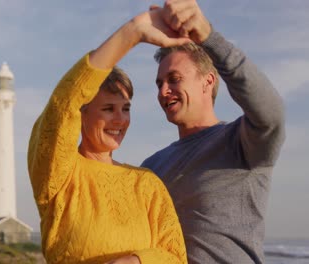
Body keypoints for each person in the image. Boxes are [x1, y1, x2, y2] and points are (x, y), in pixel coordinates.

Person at [27, 6, 190, 264]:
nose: (120, 119)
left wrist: (135, 261)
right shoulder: (60, 173)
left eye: (125, 109)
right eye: (108, 109)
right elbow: (63, 104)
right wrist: (132, 33)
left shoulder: (146, 184)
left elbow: (175, 257)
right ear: (82, 114)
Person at [141, 1, 286, 263]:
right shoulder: (151, 167)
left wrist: (207, 36)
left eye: (174, 79)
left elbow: (271, 114)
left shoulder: (241, 143)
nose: (163, 91)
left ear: (208, 80)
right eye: (159, 83)